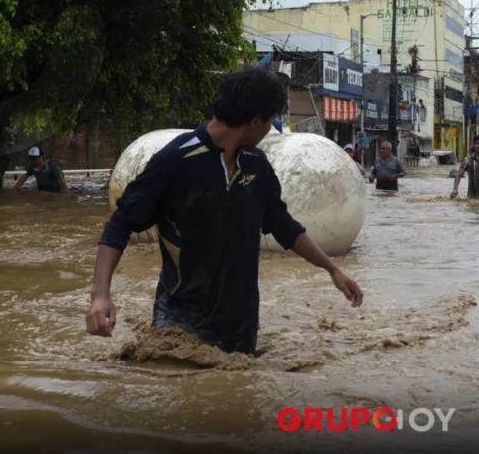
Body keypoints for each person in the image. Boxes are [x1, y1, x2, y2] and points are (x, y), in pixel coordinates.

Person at [85, 68, 363, 353]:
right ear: (255, 121)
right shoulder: (175, 160)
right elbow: (119, 224)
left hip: (240, 325)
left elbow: (284, 226)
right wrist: (100, 296)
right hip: (180, 320)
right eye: (270, 121)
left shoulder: (257, 164)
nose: (270, 129)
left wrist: (333, 270)